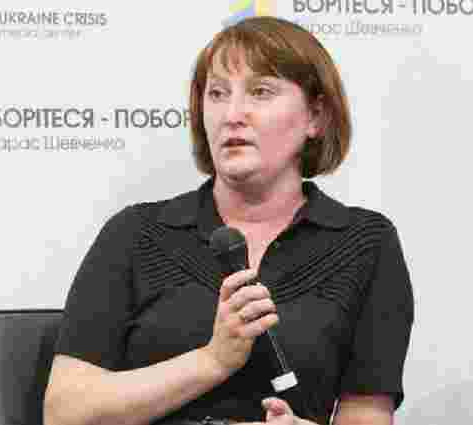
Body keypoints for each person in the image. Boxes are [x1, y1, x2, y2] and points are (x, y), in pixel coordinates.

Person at [43, 16, 414, 425]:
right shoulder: (137, 233)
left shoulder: (364, 242)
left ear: (316, 116)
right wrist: (213, 360)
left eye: (260, 92)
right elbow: (65, 412)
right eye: (217, 94)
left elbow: (366, 415)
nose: (232, 114)